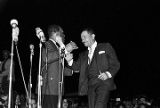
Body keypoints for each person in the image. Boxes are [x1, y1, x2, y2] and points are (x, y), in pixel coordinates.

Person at [65, 28, 120, 108]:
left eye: (84, 37)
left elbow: (115, 64)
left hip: (103, 83)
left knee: (99, 105)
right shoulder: (83, 55)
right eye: (81, 38)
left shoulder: (105, 46)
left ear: (93, 36)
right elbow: (76, 67)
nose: (82, 40)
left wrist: (108, 74)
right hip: (90, 85)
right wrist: (70, 61)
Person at [40, 25, 76, 108]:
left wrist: (71, 65)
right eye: (62, 33)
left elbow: (59, 68)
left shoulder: (57, 47)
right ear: (55, 33)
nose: (64, 35)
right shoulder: (47, 43)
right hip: (50, 88)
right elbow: (47, 58)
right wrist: (65, 49)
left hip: (58, 88)